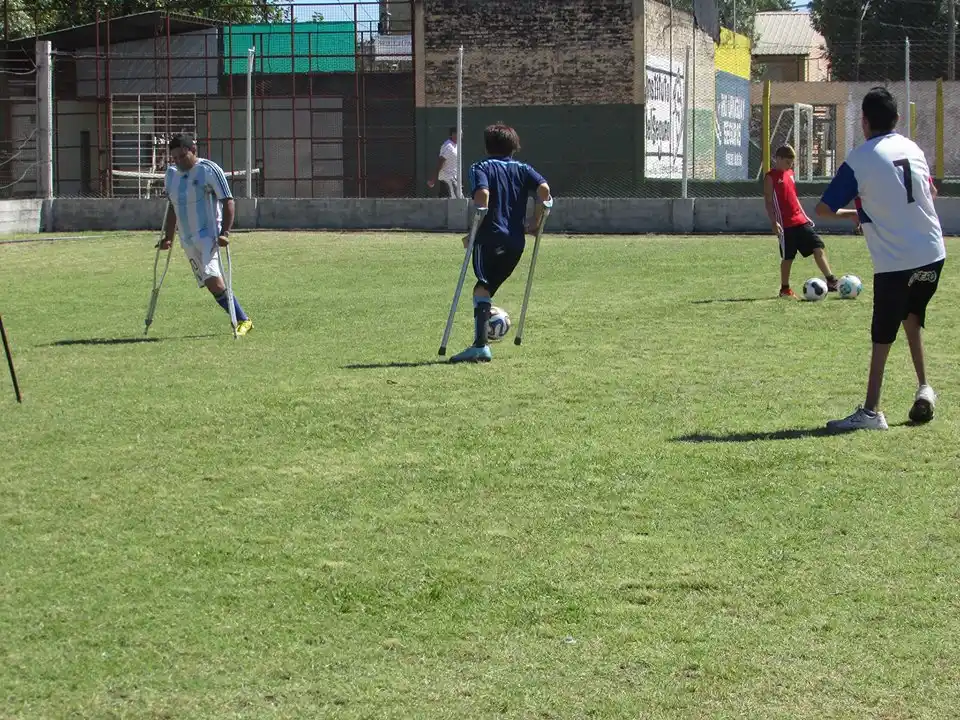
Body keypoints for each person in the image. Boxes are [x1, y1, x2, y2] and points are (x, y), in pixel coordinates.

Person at [816, 86, 945, 431]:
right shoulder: (913, 147)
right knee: (911, 317)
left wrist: (857, 214)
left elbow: (824, 208)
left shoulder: (860, 159)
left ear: (864, 122)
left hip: (896, 261)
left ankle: (872, 411)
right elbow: (931, 191)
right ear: (897, 119)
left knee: (882, 335)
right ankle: (925, 388)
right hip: (933, 254)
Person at [450, 122, 552, 364]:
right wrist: (536, 221)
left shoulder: (480, 167)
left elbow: (483, 195)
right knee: (486, 288)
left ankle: (480, 347)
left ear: (487, 147)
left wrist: (473, 231)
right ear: (514, 147)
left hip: (490, 238)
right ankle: (482, 340)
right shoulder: (523, 169)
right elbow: (544, 190)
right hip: (516, 241)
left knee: (482, 287)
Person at [160, 134, 253, 336]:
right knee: (211, 285)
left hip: (208, 234)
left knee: (212, 278)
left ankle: (242, 320)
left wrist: (225, 232)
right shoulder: (171, 174)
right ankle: (242, 319)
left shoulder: (208, 169)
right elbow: (173, 207)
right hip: (187, 238)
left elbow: (228, 200)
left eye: (183, 156)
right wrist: (168, 237)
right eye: (175, 158)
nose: (178, 161)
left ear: (193, 151)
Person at [764, 144, 840, 298]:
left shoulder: (790, 174)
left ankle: (831, 280)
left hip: (800, 221)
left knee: (818, 247)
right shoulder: (770, 177)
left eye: (791, 163)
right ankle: (785, 289)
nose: (790, 166)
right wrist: (773, 221)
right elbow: (768, 201)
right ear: (778, 159)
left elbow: (794, 197)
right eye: (787, 162)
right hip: (785, 225)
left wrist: (805, 216)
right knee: (788, 257)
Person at [427, 127, 461, 198]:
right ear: (453, 134)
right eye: (460, 133)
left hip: (453, 179)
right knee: (457, 201)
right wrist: (434, 179)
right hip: (447, 180)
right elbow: (440, 162)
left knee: (458, 200)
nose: (461, 135)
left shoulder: (456, 145)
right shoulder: (448, 146)